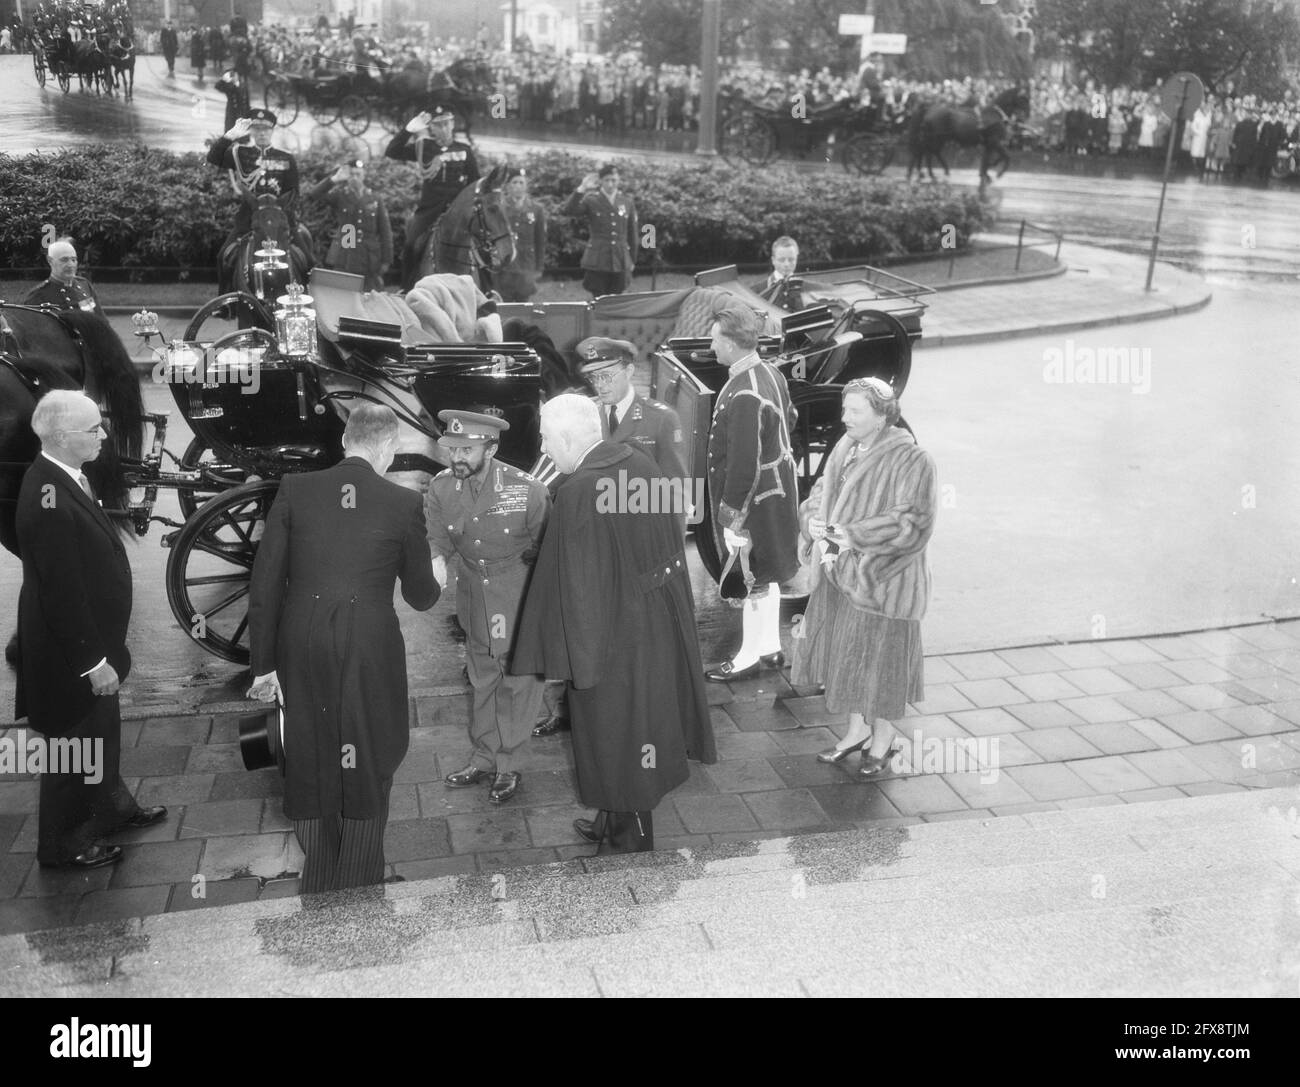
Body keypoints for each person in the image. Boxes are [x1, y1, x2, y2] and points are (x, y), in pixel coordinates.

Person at [246, 405, 440, 893]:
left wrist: (263, 666)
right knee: (367, 750)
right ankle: (358, 876)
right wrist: (437, 576)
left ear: (345, 442)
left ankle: (321, 870)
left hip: (301, 639)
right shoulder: (402, 503)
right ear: (389, 449)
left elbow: (265, 584)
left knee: (307, 753)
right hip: (367, 645)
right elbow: (420, 595)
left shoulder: (295, 490)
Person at [511, 395, 716, 854]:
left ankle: (631, 838)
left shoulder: (578, 491)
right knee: (639, 726)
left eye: (545, 438)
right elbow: (669, 534)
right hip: (654, 619)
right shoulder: (639, 461)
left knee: (615, 732)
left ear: (566, 437)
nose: (544, 449)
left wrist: (576, 661)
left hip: (610, 635)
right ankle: (611, 817)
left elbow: (579, 585)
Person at [16, 391, 166, 870]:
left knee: (100, 733)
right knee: (73, 746)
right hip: (73, 657)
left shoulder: (62, 479)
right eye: (92, 430)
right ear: (61, 437)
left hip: (95, 645)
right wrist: (93, 663)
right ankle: (63, 844)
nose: (103, 435)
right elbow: (62, 593)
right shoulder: (48, 496)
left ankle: (111, 808)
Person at [531, 336, 690, 740]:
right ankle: (570, 707)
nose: (599, 384)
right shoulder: (587, 415)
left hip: (636, 555)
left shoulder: (659, 419)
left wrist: (664, 555)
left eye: (606, 375)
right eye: (593, 377)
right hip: (592, 542)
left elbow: (674, 496)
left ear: (628, 371)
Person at [793, 378, 936, 777]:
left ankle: (884, 738)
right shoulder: (846, 447)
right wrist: (813, 520)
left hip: (883, 584)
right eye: (844, 409)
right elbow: (819, 493)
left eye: (854, 411)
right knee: (848, 656)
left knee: (883, 666)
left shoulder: (913, 460)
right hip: (841, 573)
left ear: (880, 417)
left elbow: (913, 524)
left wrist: (850, 535)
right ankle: (856, 730)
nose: (844, 418)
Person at [425, 411, 549, 804]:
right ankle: (483, 756)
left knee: (517, 682)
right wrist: (437, 560)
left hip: (517, 592)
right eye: (452, 449)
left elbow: (549, 548)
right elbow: (435, 536)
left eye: (467, 449)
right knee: (481, 681)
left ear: (491, 448)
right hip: (474, 595)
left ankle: (508, 765)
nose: (456, 457)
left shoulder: (527, 490)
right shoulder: (442, 487)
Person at [703, 300, 799, 682]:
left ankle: (746, 657)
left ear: (732, 343)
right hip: (776, 494)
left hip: (752, 503)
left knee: (750, 576)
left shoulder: (743, 391)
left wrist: (730, 516)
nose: (711, 347)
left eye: (715, 340)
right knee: (769, 574)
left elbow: (743, 462)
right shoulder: (770, 372)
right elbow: (789, 417)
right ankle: (771, 648)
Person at [206, 108, 304, 293]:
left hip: (280, 220)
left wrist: (285, 218)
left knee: (308, 258)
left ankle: (304, 299)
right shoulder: (240, 153)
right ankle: (227, 304)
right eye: (257, 129)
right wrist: (229, 137)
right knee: (223, 256)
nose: (261, 133)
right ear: (251, 131)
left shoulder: (286, 157)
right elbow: (213, 158)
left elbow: (294, 192)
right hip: (249, 219)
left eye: (265, 129)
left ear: (272, 131)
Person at [385, 104, 480, 291]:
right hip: (430, 210)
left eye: (446, 124)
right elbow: (392, 151)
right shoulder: (424, 147)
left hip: (457, 210)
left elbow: (474, 182)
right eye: (438, 125)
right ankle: (407, 288)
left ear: (453, 125)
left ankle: (486, 288)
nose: (443, 129)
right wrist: (408, 130)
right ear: (432, 129)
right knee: (412, 245)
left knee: (482, 241)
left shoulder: (465, 150)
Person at [307, 159, 393, 291]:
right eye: (352, 174)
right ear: (347, 177)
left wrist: (386, 259)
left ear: (364, 175)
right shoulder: (340, 195)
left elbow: (385, 231)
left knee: (371, 297)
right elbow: (314, 195)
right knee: (344, 295)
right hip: (347, 252)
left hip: (370, 256)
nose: (355, 178)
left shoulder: (375, 198)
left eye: (358, 174)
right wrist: (334, 179)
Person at [563, 163, 638, 297]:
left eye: (614, 180)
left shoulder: (626, 202)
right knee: (598, 297)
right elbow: (569, 210)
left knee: (616, 298)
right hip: (598, 259)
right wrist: (582, 188)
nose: (610, 184)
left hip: (620, 259)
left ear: (618, 180)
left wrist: (631, 259)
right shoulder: (592, 200)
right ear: (601, 181)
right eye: (607, 180)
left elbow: (632, 234)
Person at [495, 168, 547, 303]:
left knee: (524, 304)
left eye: (521, 183)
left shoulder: (536, 209)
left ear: (526, 186)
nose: (518, 186)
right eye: (514, 183)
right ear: (507, 186)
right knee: (503, 304)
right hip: (505, 266)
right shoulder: (500, 207)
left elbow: (540, 240)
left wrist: (539, 267)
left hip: (525, 265)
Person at [25, 237, 100, 312]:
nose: (70, 265)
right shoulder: (38, 296)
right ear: (50, 260)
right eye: (64, 260)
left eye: (73, 259)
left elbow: (101, 320)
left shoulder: (84, 285)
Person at [751, 235, 805, 312]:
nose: (786, 264)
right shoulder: (756, 292)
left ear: (797, 258)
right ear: (773, 260)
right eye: (781, 260)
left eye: (791, 259)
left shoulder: (807, 289)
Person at [215, 68, 252, 133]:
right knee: (230, 132)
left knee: (242, 134)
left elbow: (247, 101)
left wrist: (249, 114)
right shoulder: (228, 86)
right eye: (231, 75)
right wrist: (223, 79)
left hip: (242, 113)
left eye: (234, 74)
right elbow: (217, 86)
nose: (234, 77)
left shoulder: (243, 85)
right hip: (231, 112)